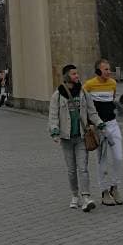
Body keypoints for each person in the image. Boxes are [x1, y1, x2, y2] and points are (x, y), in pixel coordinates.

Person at [48, 63, 102, 212]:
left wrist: (100, 124)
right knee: (71, 170)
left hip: (81, 137)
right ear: (66, 76)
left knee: (83, 168)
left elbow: (92, 111)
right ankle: (74, 195)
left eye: (77, 74)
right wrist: (54, 131)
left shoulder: (83, 92)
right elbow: (53, 116)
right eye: (73, 74)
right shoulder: (57, 95)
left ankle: (86, 197)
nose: (77, 76)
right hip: (66, 138)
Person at [83, 58, 123, 205]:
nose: (108, 71)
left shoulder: (112, 83)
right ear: (98, 70)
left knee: (118, 157)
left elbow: (111, 100)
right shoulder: (89, 85)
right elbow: (86, 105)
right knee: (102, 159)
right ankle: (104, 190)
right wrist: (90, 124)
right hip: (100, 127)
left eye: (109, 68)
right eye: (105, 69)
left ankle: (115, 186)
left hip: (113, 124)